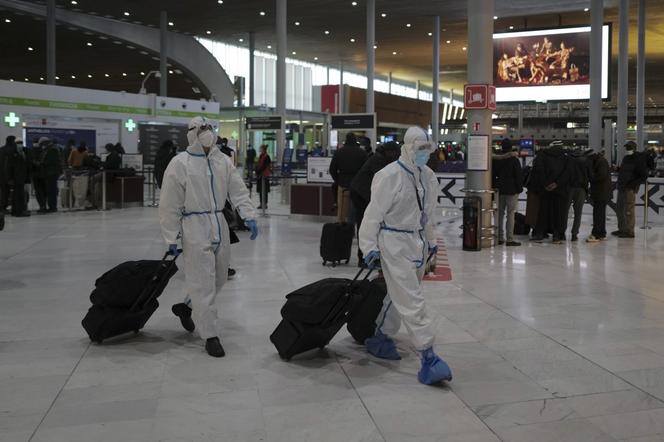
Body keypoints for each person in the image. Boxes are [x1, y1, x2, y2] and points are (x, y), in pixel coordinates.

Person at [359, 126, 452, 386]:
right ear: (408, 147)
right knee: (412, 299)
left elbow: (429, 212)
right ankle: (428, 355)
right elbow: (372, 214)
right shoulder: (388, 176)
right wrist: (369, 247)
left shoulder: (428, 175)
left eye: (427, 149)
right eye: (419, 149)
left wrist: (431, 241)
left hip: (418, 242)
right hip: (394, 242)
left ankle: (381, 335)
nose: (424, 154)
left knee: (399, 293)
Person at [159, 116, 258, 358]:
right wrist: (171, 236)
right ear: (192, 133)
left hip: (219, 223)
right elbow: (169, 203)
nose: (208, 132)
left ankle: (187, 307)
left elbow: (237, 188)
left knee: (220, 277)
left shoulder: (222, 160)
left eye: (210, 128)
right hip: (194, 225)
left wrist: (248, 214)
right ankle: (210, 335)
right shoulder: (179, 163)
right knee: (202, 282)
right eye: (202, 129)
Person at [350, 141, 401, 265]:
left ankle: (367, 255)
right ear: (389, 152)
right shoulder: (378, 160)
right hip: (360, 194)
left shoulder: (380, 158)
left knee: (367, 222)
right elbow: (385, 180)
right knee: (364, 222)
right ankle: (363, 257)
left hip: (361, 192)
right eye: (395, 153)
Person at [533, 140, 570, 244]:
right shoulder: (566, 157)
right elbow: (567, 173)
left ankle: (540, 233)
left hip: (545, 190)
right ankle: (557, 235)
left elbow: (539, 170)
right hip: (560, 190)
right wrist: (556, 184)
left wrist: (546, 184)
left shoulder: (543, 155)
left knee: (543, 211)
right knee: (559, 213)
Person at [329, 133, 368, 223]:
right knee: (356, 208)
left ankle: (342, 228)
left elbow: (332, 169)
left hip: (343, 184)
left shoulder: (339, 152)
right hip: (358, 186)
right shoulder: (362, 153)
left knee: (342, 209)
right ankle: (356, 228)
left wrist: (338, 180)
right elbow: (365, 170)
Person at [613, 141, 648, 239]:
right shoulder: (626, 158)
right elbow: (625, 171)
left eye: (629, 147)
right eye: (627, 147)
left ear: (634, 148)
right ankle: (622, 229)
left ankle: (629, 231)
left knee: (628, 210)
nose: (627, 149)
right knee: (619, 209)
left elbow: (644, 175)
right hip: (621, 187)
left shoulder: (639, 159)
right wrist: (618, 169)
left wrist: (633, 184)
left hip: (630, 189)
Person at [493, 139, 523, 246]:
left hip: (499, 190)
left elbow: (492, 174)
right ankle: (509, 239)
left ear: (502, 147)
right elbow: (518, 176)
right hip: (512, 190)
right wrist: (519, 189)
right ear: (511, 147)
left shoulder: (497, 159)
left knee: (499, 214)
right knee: (510, 214)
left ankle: (499, 238)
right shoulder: (514, 160)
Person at [565, 148, 593, 242]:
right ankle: (574, 234)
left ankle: (561, 232)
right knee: (578, 213)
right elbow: (591, 176)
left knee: (564, 212)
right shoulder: (586, 161)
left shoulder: (568, 161)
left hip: (569, 188)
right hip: (581, 189)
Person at [587, 150, 611, 242]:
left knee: (598, 214)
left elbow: (601, 176)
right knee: (600, 213)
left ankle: (596, 234)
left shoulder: (600, 162)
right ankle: (601, 233)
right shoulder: (599, 160)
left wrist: (591, 176)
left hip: (601, 192)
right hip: (601, 192)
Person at [41, 138, 63, 212]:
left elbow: (50, 161)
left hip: (52, 173)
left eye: (42, 144)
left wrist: (41, 163)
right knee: (51, 190)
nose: (42, 146)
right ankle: (52, 206)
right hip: (50, 173)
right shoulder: (50, 149)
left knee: (52, 191)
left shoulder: (52, 150)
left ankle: (53, 207)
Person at [31, 137, 48, 213]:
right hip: (43, 174)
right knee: (43, 191)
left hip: (36, 174)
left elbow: (31, 162)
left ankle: (42, 206)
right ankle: (43, 206)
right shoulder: (43, 150)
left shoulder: (31, 150)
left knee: (39, 191)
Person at [255, 144, 271, 209]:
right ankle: (261, 203)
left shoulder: (267, 157)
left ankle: (265, 204)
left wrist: (258, 171)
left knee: (265, 190)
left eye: (260, 148)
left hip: (264, 176)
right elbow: (258, 164)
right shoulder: (261, 156)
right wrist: (256, 170)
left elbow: (265, 166)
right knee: (260, 190)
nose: (260, 149)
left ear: (263, 149)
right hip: (260, 176)